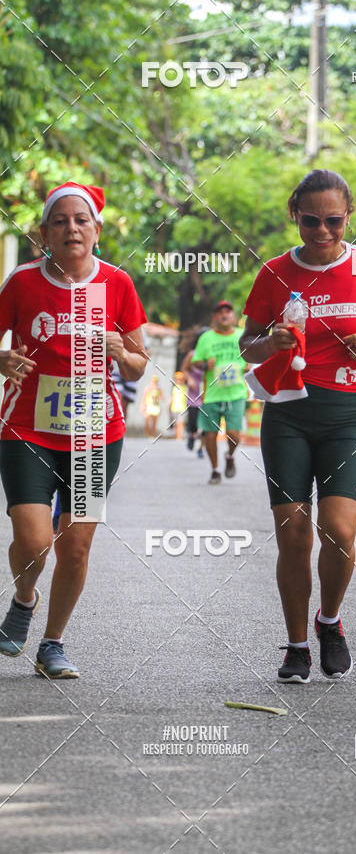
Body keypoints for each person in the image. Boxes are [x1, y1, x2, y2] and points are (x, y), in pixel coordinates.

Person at [240, 169, 356, 683]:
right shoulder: (273, 274)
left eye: (334, 220)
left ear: (349, 215)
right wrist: (273, 344)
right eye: (312, 221)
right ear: (296, 216)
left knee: (338, 531)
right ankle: (295, 646)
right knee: (293, 536)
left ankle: (329, 621)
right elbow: (247, 343)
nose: (324, 231)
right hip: (288, 412)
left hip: (346, 414)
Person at [0, 181, 147, 678]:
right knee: (36, 539)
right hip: (26, 428)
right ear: (44, 232)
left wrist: (120, 351)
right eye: (60, 221)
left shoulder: (118, 285)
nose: (71, 228)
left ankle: (52, 644)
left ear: (97, 230)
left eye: (81, 220)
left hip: (93, 434)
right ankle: (24, 598)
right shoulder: (22, 282)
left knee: (76, 544)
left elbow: (138, 366)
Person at [192, 301, 247, 484]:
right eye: (220, 312)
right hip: (212, 394)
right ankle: (215, 470)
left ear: (234, 316)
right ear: (215, 317)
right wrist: (205, 364)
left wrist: (249, 365)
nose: (224, 314)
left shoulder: (242, 336)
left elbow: (252, 358)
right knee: (210, 434)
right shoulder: (206, 338)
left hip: (236, 393)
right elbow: (196, 361)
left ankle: (229, 456)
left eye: (228, 311)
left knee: (234, 433)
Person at [181, 336, 207, 456]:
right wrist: (189, 379)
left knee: (207, 424)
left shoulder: (212, 353)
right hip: (194, 393)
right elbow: (184, 369)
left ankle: (201, 448)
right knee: (193, 422)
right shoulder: (193, 354)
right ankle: (192, 435)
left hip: (208, 393)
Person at [169, 371, 187, 440]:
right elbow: (172, 398)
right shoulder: (174, 388)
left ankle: (180, 436)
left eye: (180, 379)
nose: (179, 381)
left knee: (181, 422)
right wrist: (169, 406)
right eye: (177, 379)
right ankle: (176, 435)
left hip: (182, 408)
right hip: (174, 408)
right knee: (175, 423)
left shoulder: (185, 388)